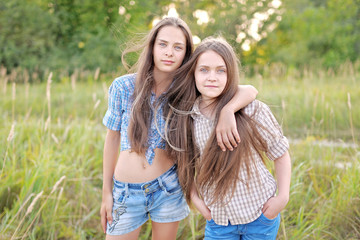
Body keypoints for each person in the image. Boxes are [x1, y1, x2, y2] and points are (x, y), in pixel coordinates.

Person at [101, 18, 258, 240]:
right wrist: (106, 193)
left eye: (178, 47)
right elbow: (112, 139)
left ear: (186, 54)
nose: (169, 53)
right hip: (126, 192)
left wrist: (227, 111)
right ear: (152, 47)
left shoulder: (188, 91)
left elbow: (250, 90)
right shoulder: (123, 87)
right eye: (163, 44)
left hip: (168, 188)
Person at [164, 36, 291, 240]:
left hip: (260, 216)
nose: (212, 77)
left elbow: (280, 153)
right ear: (193, 74)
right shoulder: (188, 118)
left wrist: (282, 197)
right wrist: (197, 201)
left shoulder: (252, 109)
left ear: (230, 74)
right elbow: (185, 165)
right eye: (204, 70)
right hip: (220, 221)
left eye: (220, 70)